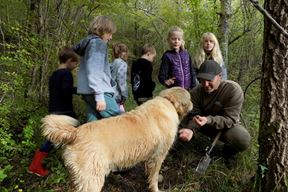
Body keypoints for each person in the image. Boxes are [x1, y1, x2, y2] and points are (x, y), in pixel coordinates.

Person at [179, 60, 251, 169]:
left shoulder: (233, 90)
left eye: (209, 80)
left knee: (242, 138)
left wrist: (208, 120)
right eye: (202, 80)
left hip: (225, 126)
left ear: (219, 76)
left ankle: (227, 152)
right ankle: (177, 145)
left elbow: (230, 119)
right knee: (177, 117)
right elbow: (194, 115)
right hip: (203, 125)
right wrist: (190, 129)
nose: (206, 85)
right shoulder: (196, 92)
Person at [28, 47, 79, 177]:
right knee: (72, 136)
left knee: (54, 138)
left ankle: (36, 164)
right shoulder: (66, 74)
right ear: (69, 60)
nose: (75, 66)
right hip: (64, 111)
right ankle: (74, 164)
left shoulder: (54, 74)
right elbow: (66, 90)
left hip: (54, 110)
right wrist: (80, 90)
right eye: (75, 63)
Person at [73, 15, 120, 122]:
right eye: (109, 33)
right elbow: (94, 71)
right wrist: (99, 96)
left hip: (88, 92)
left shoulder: (89, 43)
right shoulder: (98, 43)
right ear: (102, 30)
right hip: (99, 92)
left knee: (93, 128)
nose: (111, 37)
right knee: (121, 122)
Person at [110, 43, 129, 112]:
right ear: (124, 53)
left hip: (109, 95)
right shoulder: (122, 64)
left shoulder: (112, 63)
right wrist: (124, 96)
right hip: (117, 96)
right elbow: (121, 82)